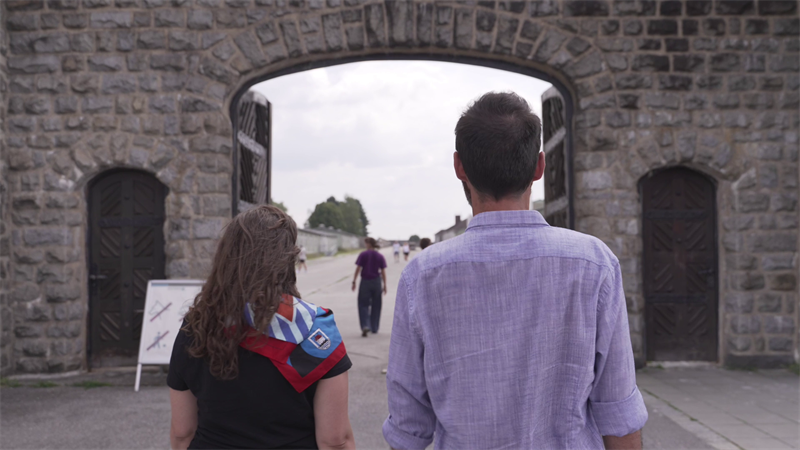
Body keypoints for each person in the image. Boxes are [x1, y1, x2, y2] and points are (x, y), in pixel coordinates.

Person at [383, 92, 647, 450]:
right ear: (539, 166)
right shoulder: (593, 263)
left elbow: (407, 427)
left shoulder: (423, 276)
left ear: (459, 166)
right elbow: (618, 410)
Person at [168, 205, 355, 450]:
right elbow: (335, 440)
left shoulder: (198, 325)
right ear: (288, 258)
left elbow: (183, 432)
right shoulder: (314, 330)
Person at [352, 237, 387, 337]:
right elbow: (383, 271)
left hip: (365, 282)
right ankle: (374, 327)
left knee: (363, 304)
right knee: (376, 305)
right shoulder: (380, 256)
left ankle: (365, 326)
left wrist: (354, 281)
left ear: (368, 244)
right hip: (376, 282)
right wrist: (385, 285)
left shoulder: (363, 254)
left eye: (365, 243)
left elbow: (358, 268)